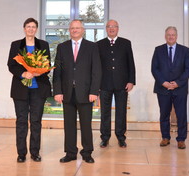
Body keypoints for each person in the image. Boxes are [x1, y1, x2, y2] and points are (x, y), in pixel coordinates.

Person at [53, 19, 102, 163]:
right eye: (72, 28)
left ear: (83, 30)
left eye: (77, 28)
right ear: (69, 30)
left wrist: (94, 91)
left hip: (86, 93)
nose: (75, 30)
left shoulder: (92, 47)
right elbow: (57, 72)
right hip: (67, 93)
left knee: (86, 124)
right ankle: (70, 152)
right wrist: (57, 91)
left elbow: (96, 71)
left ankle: (87, 152)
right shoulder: (62, 47)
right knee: (69, 125)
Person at [8, 18, 52, 163]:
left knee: (36, 121)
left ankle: (35, 152)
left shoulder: (43, 44)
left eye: (33, 27)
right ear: (24, 28)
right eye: (28, 26)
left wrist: (40, 71)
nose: (31, 29)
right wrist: (23, 74)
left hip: (38, 89)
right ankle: (21, 153)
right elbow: (11, 65)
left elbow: (47, 64)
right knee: (21, 121)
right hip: (20, 89)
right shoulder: (16, 45)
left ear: (36, 29)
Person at [97, 20, 136, 148]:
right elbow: (96, 67)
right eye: (109, 26)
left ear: (118, 28)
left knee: (121, 112)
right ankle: (105, 137)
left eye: (114, 26)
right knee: (105, 112)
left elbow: (131, 63)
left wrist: (131, 81)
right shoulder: (99, 44)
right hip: (104, 84)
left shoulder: (125, 43)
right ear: (106, 29)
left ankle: (121, 137)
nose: (112, 29)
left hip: (122, 84)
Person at [151, 26, 189, 149]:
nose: (171, 36)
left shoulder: (185, 50)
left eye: (173, 35)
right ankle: (165, 137)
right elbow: (154, 68)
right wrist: (163, 82)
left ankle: (181, 139)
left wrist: (178, 83)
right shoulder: (158, 50)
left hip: (180, 88)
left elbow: (188, 69)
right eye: (168, 34)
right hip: (163, 88)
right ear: (165, 36)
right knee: (164, 114)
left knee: (181, 115)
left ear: (176, 36)